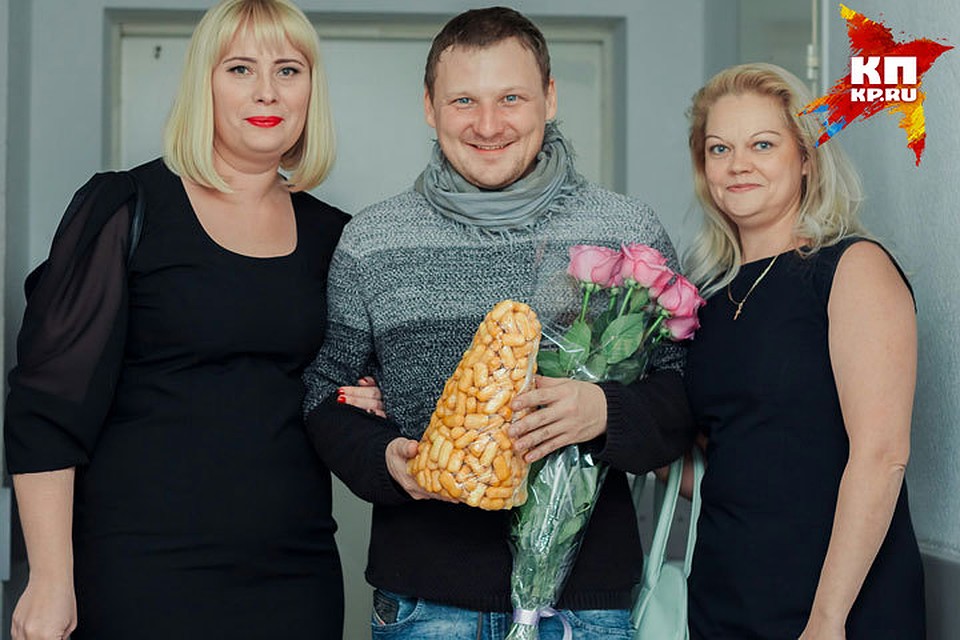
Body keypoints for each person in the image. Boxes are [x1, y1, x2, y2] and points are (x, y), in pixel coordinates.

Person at [302, 7, 695, 640]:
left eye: (511, 97)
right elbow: (325, 393)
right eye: (464, 100)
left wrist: (604, 412)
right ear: (429, 107)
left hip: (583, 606)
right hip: (424, 602)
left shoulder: (626, 231)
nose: (488, 125)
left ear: (550, 98)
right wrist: (384, 459)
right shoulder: (373, 240)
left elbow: (683, 394)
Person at [3, 1, 380, 638]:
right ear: (204, 83)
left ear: (310, 89)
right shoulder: (126, 207)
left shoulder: (336, 237)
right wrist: (49, 578)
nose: (267, 91)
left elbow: (334, 393)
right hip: (138, 568)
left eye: (288, 70)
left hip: (293, 571)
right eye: (240, 68)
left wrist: (365, 397)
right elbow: (46, 406)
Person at [681, 62, 926, 639]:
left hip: (836, 607)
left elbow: (882, 455)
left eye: (763, 144)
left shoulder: (852, 268)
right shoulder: (706, 296)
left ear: (807, 158)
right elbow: (729, 458)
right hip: (724, 598)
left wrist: (827, 619)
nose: (738, 164)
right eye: (720, 149)